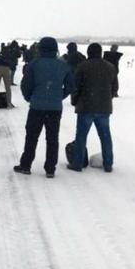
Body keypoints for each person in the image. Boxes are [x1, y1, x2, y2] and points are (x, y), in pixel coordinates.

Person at [13, 37, 74, 178]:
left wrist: (30, 98)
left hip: (36, 107)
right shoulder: (63, 65)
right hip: (55, 109)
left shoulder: (34, 64)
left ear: (40, 48)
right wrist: (59, 96)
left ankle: (26, 165)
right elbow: (71, 86)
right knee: (52, 138)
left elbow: (25, 85)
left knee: (32, 137)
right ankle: (50, 169)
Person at [68, 43, 116, 172]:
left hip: (85, 107)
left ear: (89, 52)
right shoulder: (110, 67)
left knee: (81, 136)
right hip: (104, 108)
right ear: (100, 52)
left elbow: (75, 87)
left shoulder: (82, 67)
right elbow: (114, 87)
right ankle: (108, 163)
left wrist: (74, 101)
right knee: (105, 137)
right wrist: (106, 99)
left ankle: (77, 163)